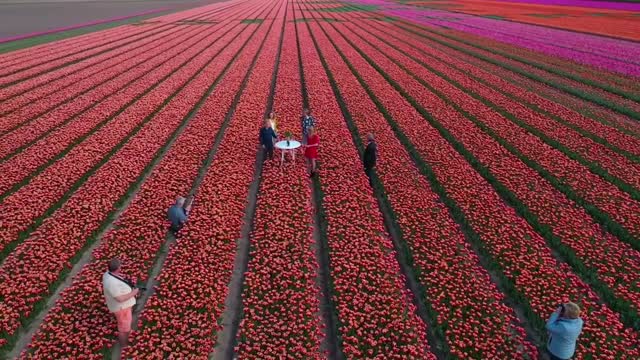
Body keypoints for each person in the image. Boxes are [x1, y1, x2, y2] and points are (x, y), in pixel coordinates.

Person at [102, 258, 139, 348]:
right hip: (122, 308)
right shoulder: (112, 283)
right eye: (120, 267)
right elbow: (120, 299)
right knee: (124, 328)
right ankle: (124, 345)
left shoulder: (107, 274)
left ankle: (126, 336)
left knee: (125, 324)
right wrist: (133, 293)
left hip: (124, 306)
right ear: (118, 268)